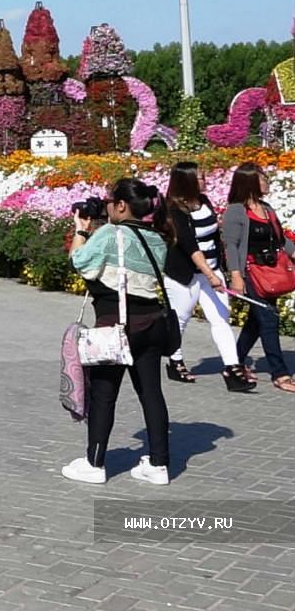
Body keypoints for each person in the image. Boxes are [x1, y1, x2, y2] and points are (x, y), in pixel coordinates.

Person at [63, 178, 173, 486]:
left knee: (103, 395)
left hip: (116, 326)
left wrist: (82, 231)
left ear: (121, 205)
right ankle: (158, 464)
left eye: (110, 201)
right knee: (151, 394)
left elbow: (79, 262)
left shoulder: (110, 234)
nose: (106, 205)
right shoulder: (156, 239)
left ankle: (94, 464)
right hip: (151, 324)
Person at [161, 161, 254, 391]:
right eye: (201, 177)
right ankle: (175, 360)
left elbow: (213, 236)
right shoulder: (173, 209)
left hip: (212, 270)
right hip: (184, 275)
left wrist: (219, 270)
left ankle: (232, 368)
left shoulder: (205, 202)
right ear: (188, 181)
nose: (205, 180)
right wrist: (210, 275)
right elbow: (189, 245)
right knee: (180, 318)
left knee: (221, 318)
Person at [220, 162, 295, 394]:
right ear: (250, 182)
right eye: (262, 178)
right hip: (251, 272)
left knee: (257, 320)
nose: (266, 182)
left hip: (270, 272)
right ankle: (280, 374)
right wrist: (235, 276)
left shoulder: (267, 208)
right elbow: (230, 245)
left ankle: (235, 362)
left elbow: (280, 240)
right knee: (269, 319)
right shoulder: (236, 211)